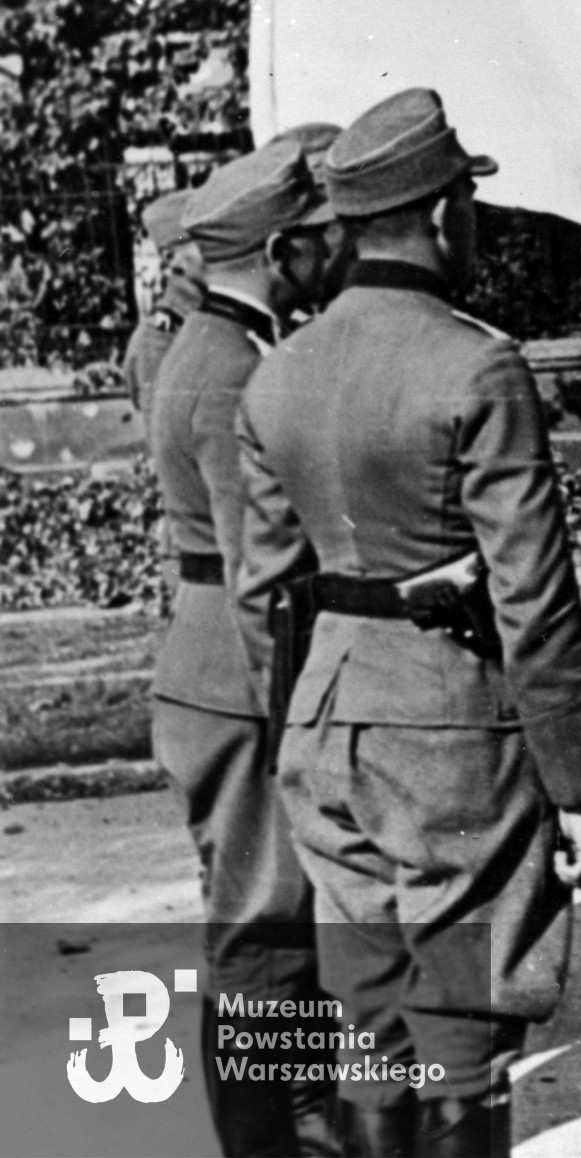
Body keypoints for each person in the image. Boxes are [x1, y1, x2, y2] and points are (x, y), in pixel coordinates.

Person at [235, 88, 581, 1158]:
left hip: (323, 726)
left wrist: (290, 744)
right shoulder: (476, 364)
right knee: (457, 1032)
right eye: (469, 202)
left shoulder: (278, 376)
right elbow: (534, 597)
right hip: (446, 729)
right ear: (446, 212)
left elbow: (264, 593)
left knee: (369, 1022)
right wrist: (577, 782)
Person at [147, 135, 347, 1157]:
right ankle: (270, 1144)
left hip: (215, 660)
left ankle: (304, 1118)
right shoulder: (230, 369)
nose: (330, 254)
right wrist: (299, 716)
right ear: (279, 251)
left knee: (273, 916)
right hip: (242, 667)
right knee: (262, 930)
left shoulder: (222, 347)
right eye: (315, 241)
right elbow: (257, 564)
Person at [122, 189, 205, 415]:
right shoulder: (158, 342)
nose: (224, 250)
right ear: (171, 258)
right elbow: (170, 441)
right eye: (207, 243)